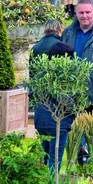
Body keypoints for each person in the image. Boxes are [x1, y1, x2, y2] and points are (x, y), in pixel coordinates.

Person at [29, 20, 75, 169]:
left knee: (44, 157)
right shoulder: (59, 77)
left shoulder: (36, 50)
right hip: (57, 122)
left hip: (41, 117)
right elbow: (65, 100)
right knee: (54, 162)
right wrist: (75, 108)